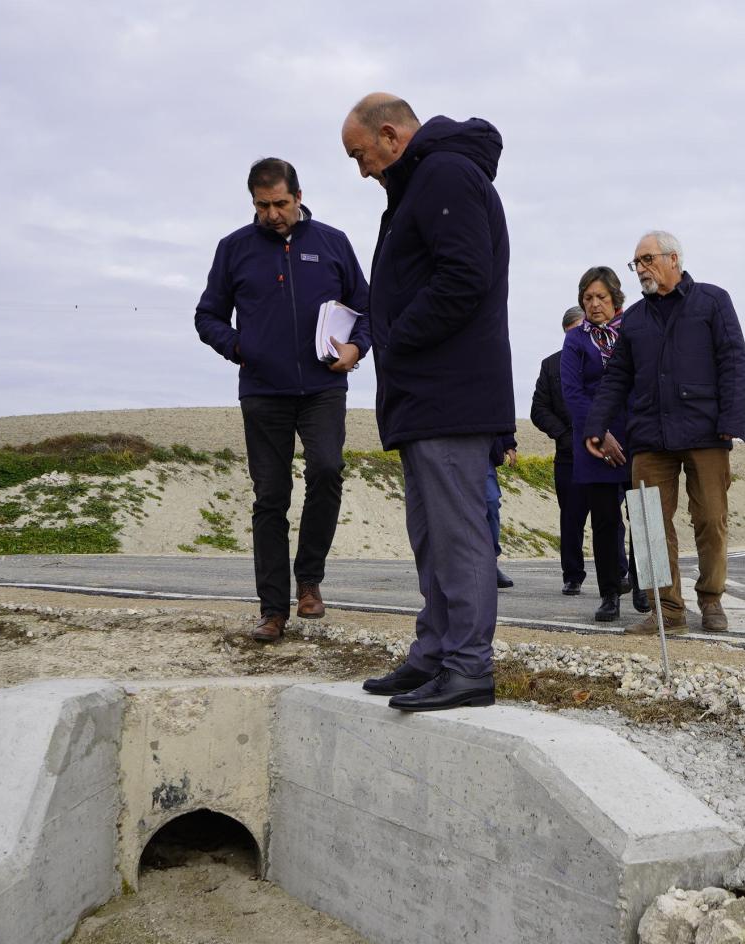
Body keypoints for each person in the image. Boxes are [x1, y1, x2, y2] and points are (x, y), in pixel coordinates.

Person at [342, 93, 512, 711]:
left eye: (359, 155)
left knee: (460, 535)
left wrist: (396, 337)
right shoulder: (416, 186)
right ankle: (435, 651)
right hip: (423, 395)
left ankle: (469, 666)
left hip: (450, 393)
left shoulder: (445, 173)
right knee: (432, 535)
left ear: (390, 135)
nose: (360, 169)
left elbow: (463, 276)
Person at [193, 157, 370, 642]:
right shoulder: (234, 249)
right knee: (271, 497)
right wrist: (237, 347)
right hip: (263, 392)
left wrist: (356, 347)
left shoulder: (332, 243)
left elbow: (367, 309)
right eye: (262, 205)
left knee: (328, 471)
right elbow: (206, 315)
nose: (273, 214)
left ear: (298, 196)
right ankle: (272, 610)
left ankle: (309, 581)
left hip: (323, 387)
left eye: (281, 204)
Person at [584, 231, 745, 635]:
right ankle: (668, 611)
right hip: (649, 435)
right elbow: (618, 376)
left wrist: (731, 422)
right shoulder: (636, 318)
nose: (640, 269)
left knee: (711, 519)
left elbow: (733, 360)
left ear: (673, 259)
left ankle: (711, 601)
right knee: (648, 524)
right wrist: (596, 425)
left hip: (707, 431)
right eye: (636, 263)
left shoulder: (712, 301)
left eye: (647, 259)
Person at [561, 266, 640, 622]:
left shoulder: (634, 333)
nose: (594, 305)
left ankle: (644, 586)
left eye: (601, 298)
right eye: (588, 298)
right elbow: (572, 393)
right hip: (594, 443)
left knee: (643, 516)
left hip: (636, 437)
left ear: (615, 298)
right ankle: (610, 593)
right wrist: (599, 432)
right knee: (606, 521)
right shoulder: (576, 341)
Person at [530, 307, 588, 595]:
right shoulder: (551, 365)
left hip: (605, 454)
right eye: (570, 333)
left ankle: (619, 576)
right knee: (571, 518)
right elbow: (538, 409)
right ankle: (572, 575)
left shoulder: (605, 360)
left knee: (611, 518)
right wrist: (565, 436)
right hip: (568, 456)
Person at [488, 433, 517, 588]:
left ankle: (490, 565)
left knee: (490, 502)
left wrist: (508, 444)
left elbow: (502, 409)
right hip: (450, 444)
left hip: (484, 450)